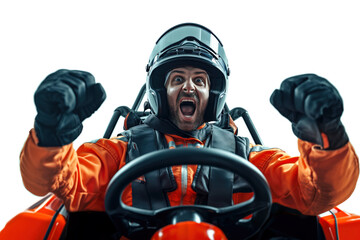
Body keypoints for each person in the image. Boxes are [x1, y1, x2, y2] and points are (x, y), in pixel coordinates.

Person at [20, 23, 358, 239]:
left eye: (199, 80)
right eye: (177, 79)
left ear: (213, 95)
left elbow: (314, 192)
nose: (189, 87)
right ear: (160, 92)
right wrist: (51, 135)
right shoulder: (119, 151)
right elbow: (59, 181)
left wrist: (326, 139)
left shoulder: (249, 156)